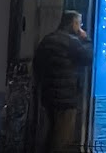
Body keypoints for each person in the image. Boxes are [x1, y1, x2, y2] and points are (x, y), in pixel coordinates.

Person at [35, 10, 93, 153]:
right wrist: (86, 39)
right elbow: (87, 58)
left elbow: (37, 64)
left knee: (49, 134)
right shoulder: (72, 41)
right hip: (66, 97)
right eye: (79, 23)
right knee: (63, 137)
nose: (80, 27)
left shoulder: (47, 39)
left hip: (48, 95)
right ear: (72, 23)